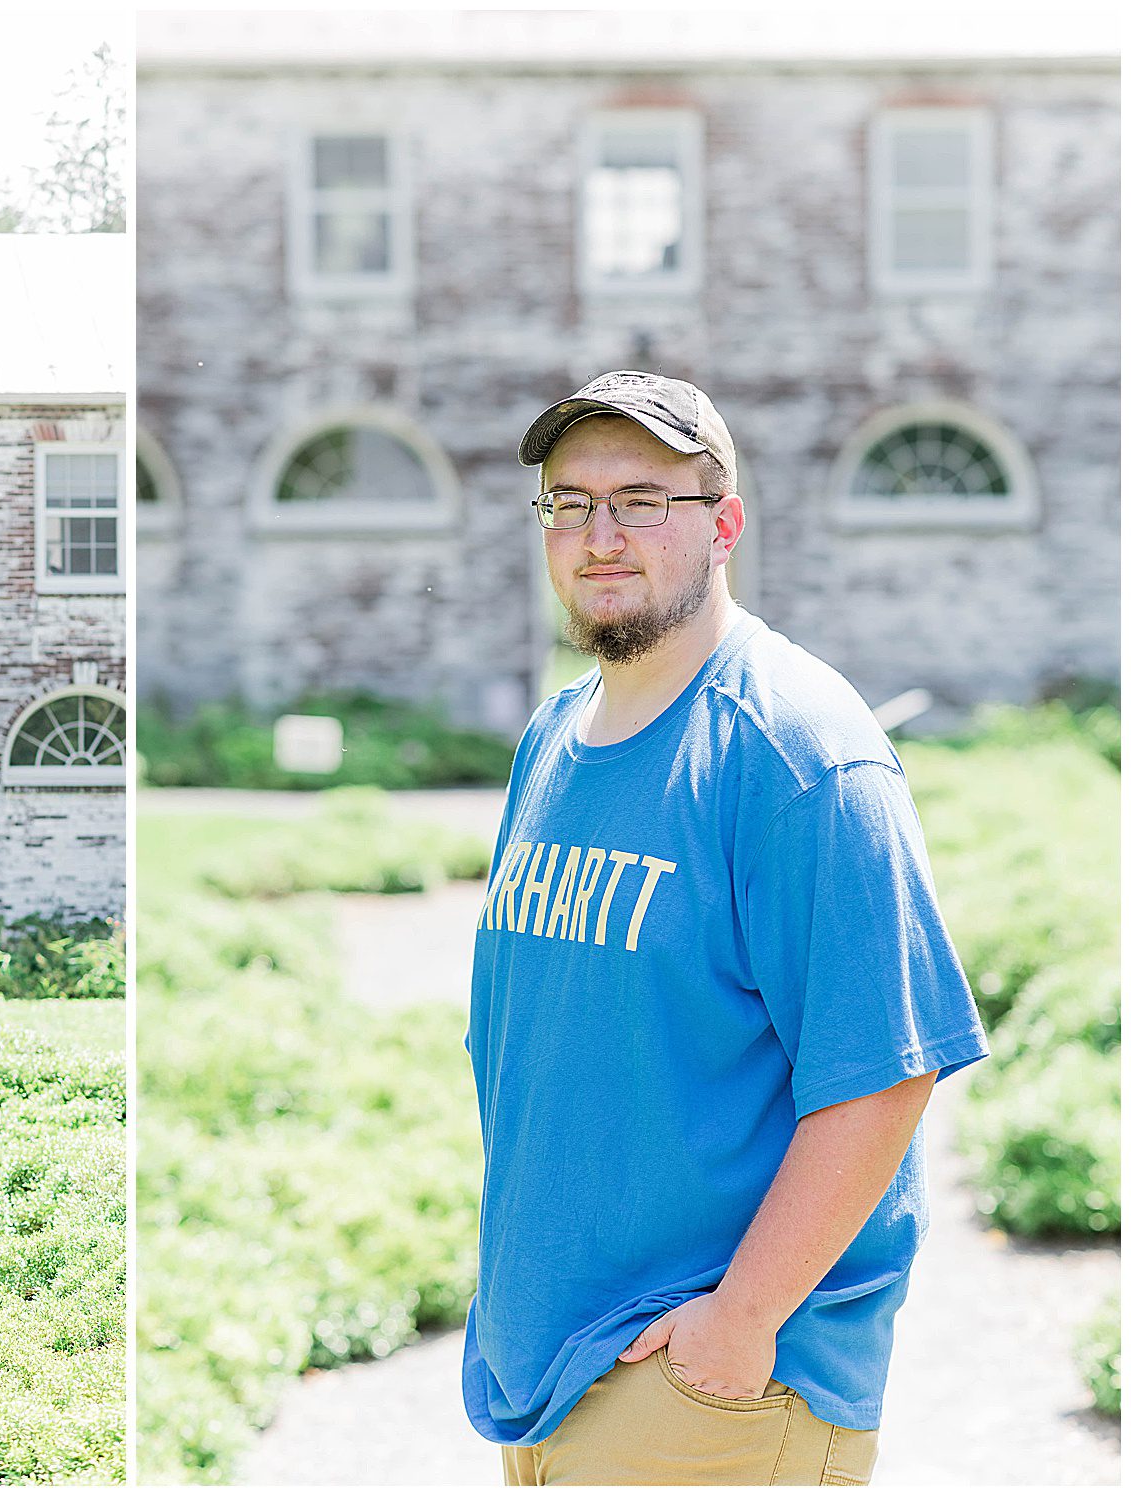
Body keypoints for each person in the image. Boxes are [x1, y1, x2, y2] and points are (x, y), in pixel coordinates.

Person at [460, 371, 990, 1485]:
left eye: (643, 499)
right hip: (552, 1372)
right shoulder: (553, 739)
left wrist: (737, 1322)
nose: (600, 535)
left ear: (723, 523)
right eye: (568, 502)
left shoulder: (798, 752)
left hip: (709, 1392)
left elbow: (882, 1074)